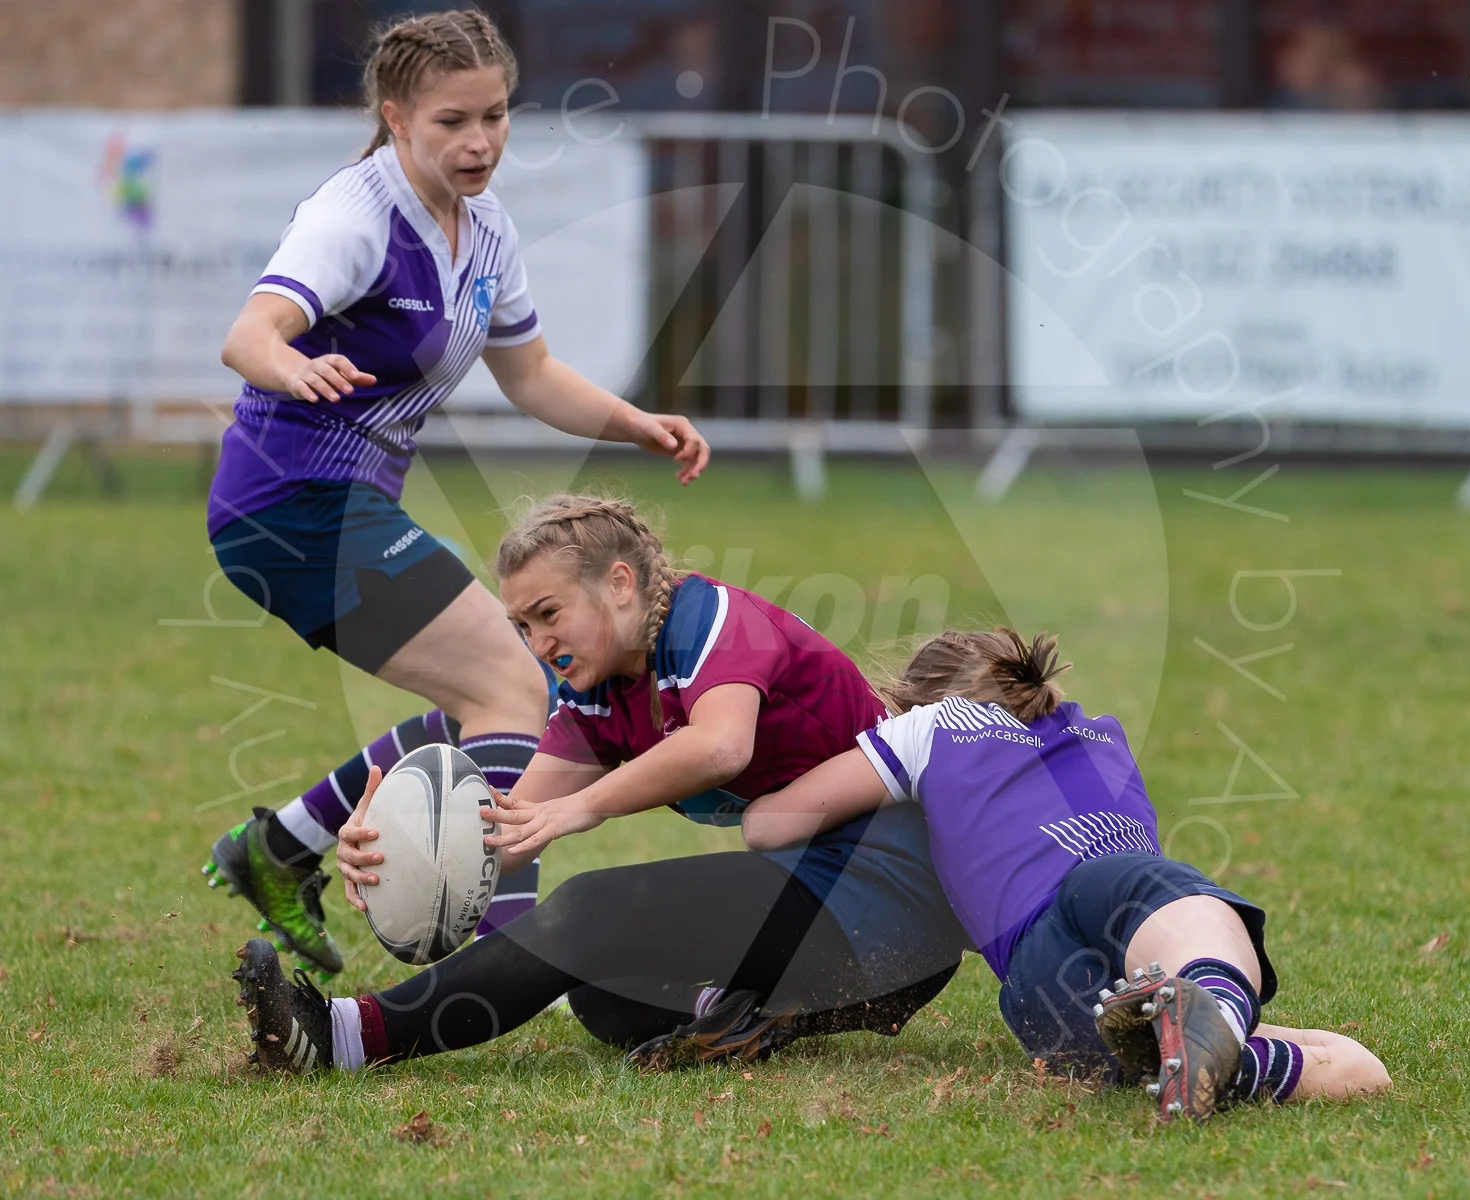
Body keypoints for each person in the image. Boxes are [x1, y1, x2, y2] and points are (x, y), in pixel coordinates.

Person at [199, 10, 709, 976]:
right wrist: (289, 368)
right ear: (396, 119)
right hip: (290, 505)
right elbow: (248, 334)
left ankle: (280, 851)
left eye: (496, 116)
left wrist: (635, 422)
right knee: (515, 682)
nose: (479, 142)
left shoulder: (486, 231)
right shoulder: (352, 218)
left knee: (498, 690)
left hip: (344, 507)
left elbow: (531, 374)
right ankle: (508, 955)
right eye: (451, 123)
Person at [229, 494, 970, 1073]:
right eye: (521, 625)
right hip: (821, 900)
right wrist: (389, 854)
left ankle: (346, 1037)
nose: (537, 644)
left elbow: (720, 746)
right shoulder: (597, 694)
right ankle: (760, 1015)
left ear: (619, 584)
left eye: (549, 614)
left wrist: (577, 810)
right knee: (603, 990)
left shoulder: (715, 620)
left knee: (587, 909)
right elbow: (504, 828)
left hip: (894, 899)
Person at [737, 628, 1391, 1122]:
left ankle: (1207, 1051)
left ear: (918, 700)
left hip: (1038, 986)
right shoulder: (1100, 734)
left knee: (1151, 1019)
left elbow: (771, 825)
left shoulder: (933, 726)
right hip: (1120, 909)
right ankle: (1216, 1014)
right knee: (1167, 897)